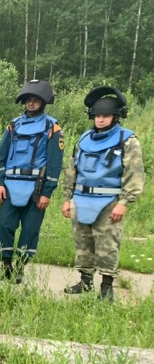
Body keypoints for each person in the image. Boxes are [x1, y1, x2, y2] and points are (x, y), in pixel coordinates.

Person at [61, 86, 144, 302]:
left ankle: (107, 286)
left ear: (116, 117)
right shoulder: (84, 139)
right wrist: (67, 198)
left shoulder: (127, 140)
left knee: (107, 244)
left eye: (105, 116)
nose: (100, 120)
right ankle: (85, 281)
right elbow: (72, 169)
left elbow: (134, 173)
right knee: (83, 242)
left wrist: (124, 202)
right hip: (81, 198)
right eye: (97, 116)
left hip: (109, 201)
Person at [0, 80, 63, 282]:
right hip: (10, 187)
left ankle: (19, 269)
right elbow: (0, 157)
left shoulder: (52, 128)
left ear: (43, 102)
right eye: (27, 100)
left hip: (36, 189)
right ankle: (5, 267)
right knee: (3, 225)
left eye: (35, 100)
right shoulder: (13, 126)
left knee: (30, 230)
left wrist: (47, 192)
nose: (30, 103)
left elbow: (55, 163)